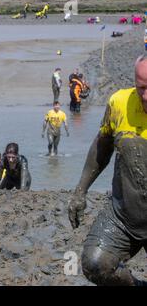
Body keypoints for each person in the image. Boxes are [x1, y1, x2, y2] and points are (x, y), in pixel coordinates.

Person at [68, 55, 147, 286]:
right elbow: (102, 145)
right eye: (141, 87)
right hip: (123, 215)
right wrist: (80, 192)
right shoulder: (119, 102)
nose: (146, 96)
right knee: (94, 264)